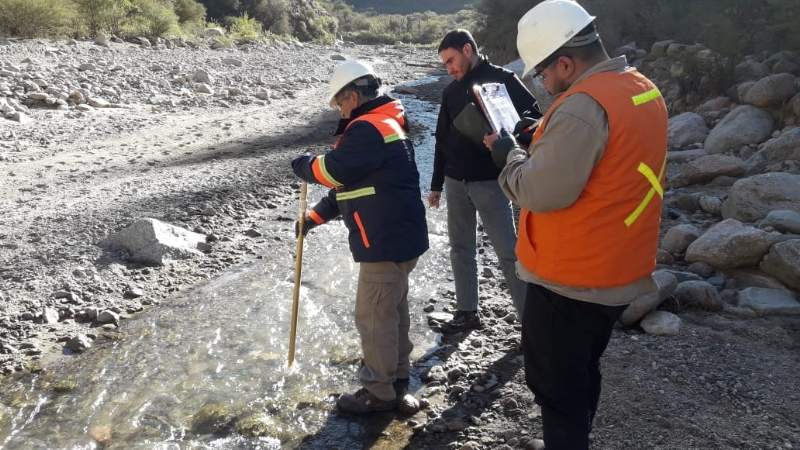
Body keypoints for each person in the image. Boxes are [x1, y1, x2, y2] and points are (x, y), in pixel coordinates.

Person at [486, 1, 668, 448]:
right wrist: (545, 139)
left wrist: (507, 155)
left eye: (544, 75)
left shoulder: (582, 107)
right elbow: (607, 163)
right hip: (616, 271)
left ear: (565, 62)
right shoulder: (641, 89)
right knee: (583, 374)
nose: (544, 86)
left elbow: (537, 191)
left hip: (570, 281)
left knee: (558, 395)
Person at [291, 60, 429, 414]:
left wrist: (304, 165)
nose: (339, 110)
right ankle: (397, 380)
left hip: (384, 240)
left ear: (352, 96)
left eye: (339, 103)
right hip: (398, 237)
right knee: (391, 312)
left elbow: (332, 170)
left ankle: (378, 392)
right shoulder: (385, 124)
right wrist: (314, 217)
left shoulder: (367, 129)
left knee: (373, 316)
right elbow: (350, 186)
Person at [430, 29, 539, 332]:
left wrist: (509, 138)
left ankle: (530, 324)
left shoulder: (503, 79)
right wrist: (437, 184)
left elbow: (536, 120)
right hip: (455, 181)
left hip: (492, 182)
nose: (449, 68)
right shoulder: (450, 92)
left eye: (451, 60)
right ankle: (467, 312)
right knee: (460, 248)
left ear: (468, 49)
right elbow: (441, 139)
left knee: (509, 252)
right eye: (445, 64)